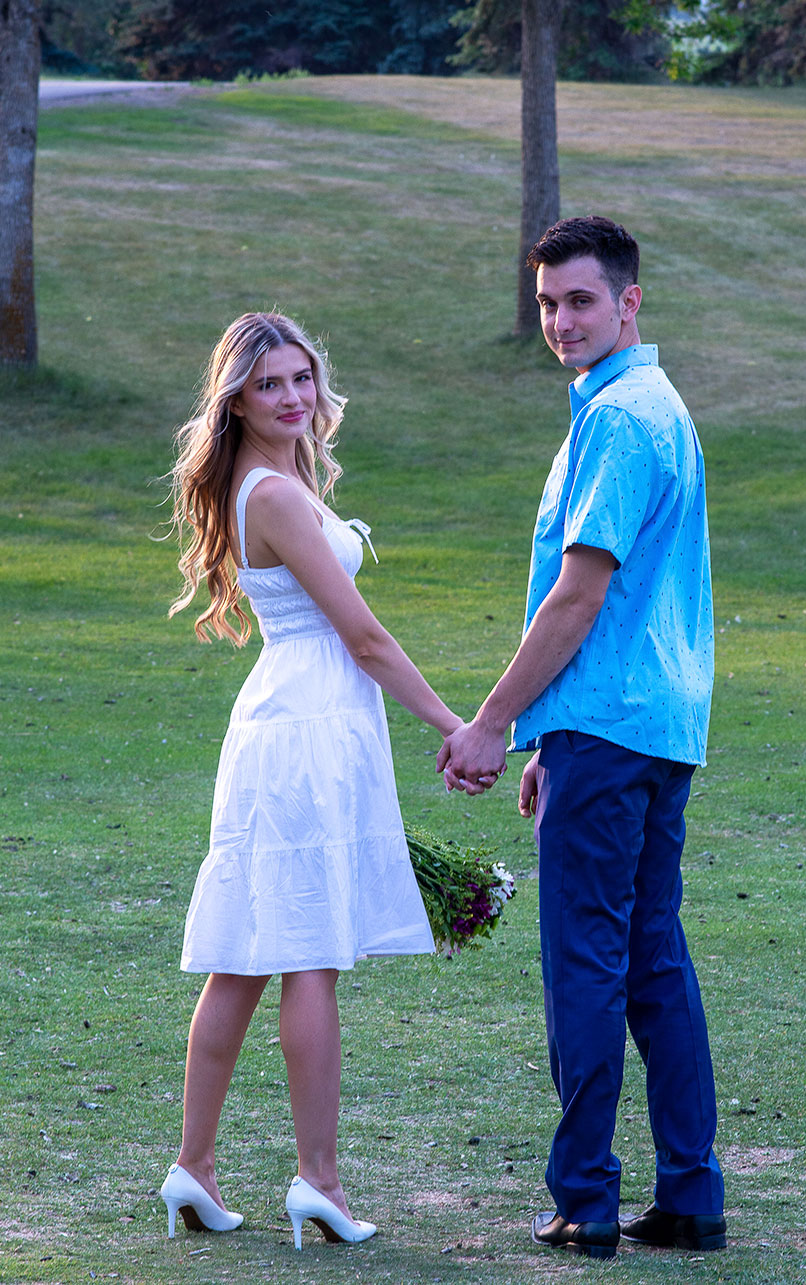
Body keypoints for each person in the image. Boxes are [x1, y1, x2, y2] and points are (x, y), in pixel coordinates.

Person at [437, 216, 726, 1259]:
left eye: (579, 301)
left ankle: (584, 1202)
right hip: (647, 728)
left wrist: (494, 721)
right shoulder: (653, 406)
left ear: (628, 301)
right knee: (652, 958)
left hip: (609, 727)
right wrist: (549, 738)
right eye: (548, 302)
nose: (560, 320)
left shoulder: (616, 417)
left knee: (586, 964)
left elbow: (577, 595)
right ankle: (690, 1198)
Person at [160, 311, 468, 1250]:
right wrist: (456, 726)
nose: (293, 396)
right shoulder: (279, 495)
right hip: (306, 727)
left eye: (301, 377)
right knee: (305, 952)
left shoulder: (280, 479)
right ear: (237, 400)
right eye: (269, 385)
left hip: (293, 719)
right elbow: (364, 638)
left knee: (247, 958)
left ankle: (195, 1168)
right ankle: (318, 1179)